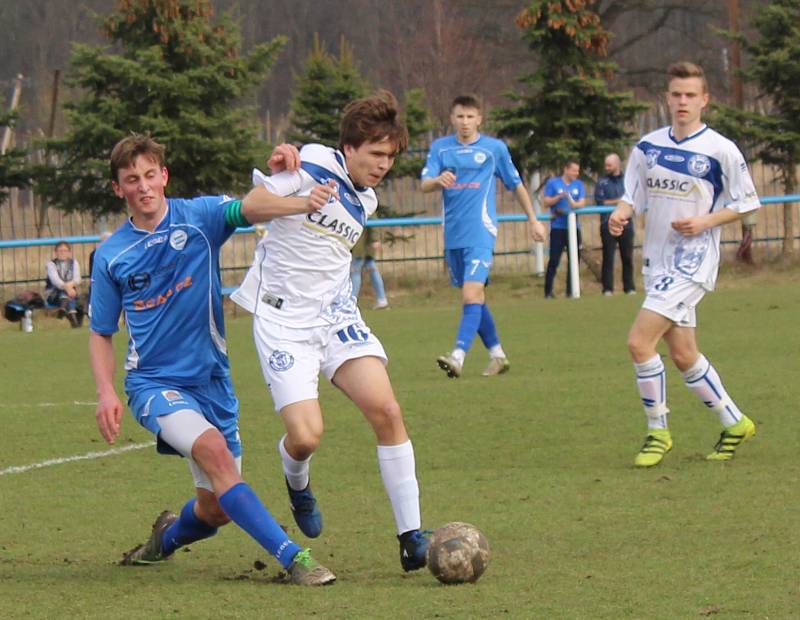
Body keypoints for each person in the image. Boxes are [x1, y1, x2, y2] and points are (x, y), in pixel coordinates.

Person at [89, 134, 335, 585]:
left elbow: (249, 207)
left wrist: (295, 192)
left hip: (213, 382)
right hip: (154, 385)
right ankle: (294, 558)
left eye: (149, 175)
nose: (143, 186)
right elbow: (101, 332)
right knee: (214, 452)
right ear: (118, 188)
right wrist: (106, 392)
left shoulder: (199, 217)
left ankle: (163, 540)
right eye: (131, 180)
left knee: (215, 509)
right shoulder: (110, 256)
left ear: (163, 176)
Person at [231, 91, 431, 573]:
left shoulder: (368, 199)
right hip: (283, 324)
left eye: (390, 157)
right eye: (376, 154)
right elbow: (252, 204)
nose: (384, 165)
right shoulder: (314, 162)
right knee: (306, 438)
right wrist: (299, 199)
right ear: (350, 147)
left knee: (387, 411)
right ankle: (297, 481)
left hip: (337, 319)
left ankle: (411, 537)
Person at [608, 62, 760, 467]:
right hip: (656, 259)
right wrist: (620, 213)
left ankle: (657, 432)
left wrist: (705, 222)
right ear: (667, 97)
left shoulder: (721, 149)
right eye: (676, 94)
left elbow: (747, 202)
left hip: (693, 261)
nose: (682, 101)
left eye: (691, 95)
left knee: (639, 342)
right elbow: (632, 194)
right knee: (683, 353)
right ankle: (735, 422)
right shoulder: (647, 146)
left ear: (704, 100)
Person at [421, 94, 546, 378]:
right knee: (474, 298)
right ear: (452, 118)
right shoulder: (440, 149)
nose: (465, 122)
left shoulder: (494, 149)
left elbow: (516, 185)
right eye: (460, 116)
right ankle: (498, 355)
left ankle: (458, 356)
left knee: (470, 294)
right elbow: (424, 183)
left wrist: (534, 220)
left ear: (480, 119)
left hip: (481, 231)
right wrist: (437, 181)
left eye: (470, 117)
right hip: (453, 234)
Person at [541, 160, 586, 298]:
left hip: (574, 228)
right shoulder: (553, 183)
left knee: (574, 260)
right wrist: (559, 197)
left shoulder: (578, 185)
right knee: (554, 260)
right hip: (558, 228)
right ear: (566, 169)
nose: (576, 173)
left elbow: (582, 203)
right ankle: (548, 292)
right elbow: (545, 202)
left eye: (578, 171)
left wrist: (573, 203)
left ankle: (571, 290)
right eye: (574, 170)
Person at [595, 153, 635, 295]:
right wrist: (620, 201)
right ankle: (607, 289)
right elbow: (600, 201)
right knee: (608, 257)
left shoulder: (627, 181)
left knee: (627, 257)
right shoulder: (602, 182)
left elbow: (634, 199)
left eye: (609, 165)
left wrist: (621, 203)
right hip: (607, 224)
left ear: (617, 165)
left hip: (627, 224)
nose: (606, 168)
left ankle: (629, 288)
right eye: (605, 165)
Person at [45, 241, 84, 327]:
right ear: (55, 252)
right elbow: (56, 281)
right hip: (53, 294)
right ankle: (72, 319)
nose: (62, 253)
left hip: (70, 294)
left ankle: (64, 310)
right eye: (60, 251)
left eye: (65, 250)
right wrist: (68, 288)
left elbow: (77, 279)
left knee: (69, 296)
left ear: (69, 252)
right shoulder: (51, 264)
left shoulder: (74, 262)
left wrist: (69, 287)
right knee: (66, 294)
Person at [351, 224, 389, 309]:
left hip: (361, 245)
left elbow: (373, 222)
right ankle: (382, 299)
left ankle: (351, 302)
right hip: (364, 244)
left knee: (355, 271)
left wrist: (375, 239)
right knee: (371, 268)